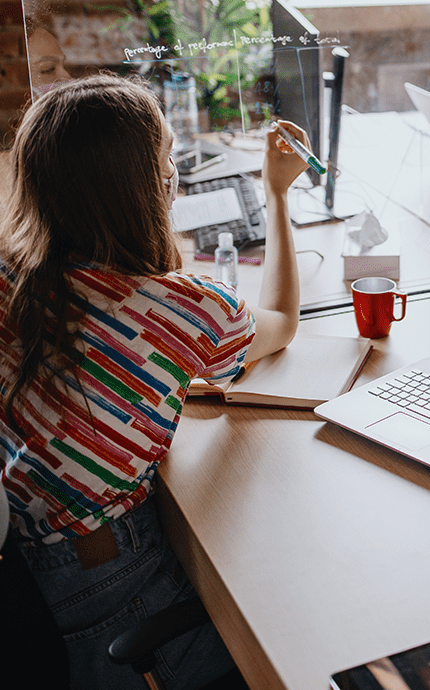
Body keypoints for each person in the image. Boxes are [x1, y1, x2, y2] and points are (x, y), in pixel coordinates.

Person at [0, 74, 309, 688]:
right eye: (167, 161)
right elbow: (283, 324)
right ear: (147, 187)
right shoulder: (182, 309)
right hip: (111, 585)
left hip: (30, 562)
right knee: (287, 620)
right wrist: (275, 196)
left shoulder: (13, 275)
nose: (174, 173)